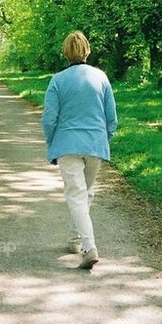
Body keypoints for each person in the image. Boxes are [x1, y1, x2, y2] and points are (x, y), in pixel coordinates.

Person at [41, 31, 118, 270]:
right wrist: (104, 138)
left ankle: (89, 247)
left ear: (65, 53)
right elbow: (111, 118)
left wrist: (52, 142)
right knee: (86, 193)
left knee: (76, 194)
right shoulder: (101, 77)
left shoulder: (57, 80)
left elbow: (49, 118)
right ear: (88, 50)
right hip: (95, 144)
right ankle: (74, 240)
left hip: (67, 144)